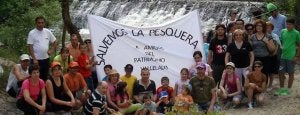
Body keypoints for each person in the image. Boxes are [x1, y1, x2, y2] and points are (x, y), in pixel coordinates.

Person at [27, 16, 58, 81]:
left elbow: (55, 41)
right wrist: (34, 59)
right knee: (35, 77)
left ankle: (44, 90)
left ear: (44, 23)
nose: (41, 24)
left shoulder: (47, 31)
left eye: (42, 23)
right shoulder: (32, 33)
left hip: (46, 59)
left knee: (45, 76)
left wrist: (51, 50)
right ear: (36, 23)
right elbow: (30, 47)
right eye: (39, 23)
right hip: (36, 60)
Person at [279, 18, 300, 88]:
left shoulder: (296, 33)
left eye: (290, 24)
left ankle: (289, 88)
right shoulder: (283, 31)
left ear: (293, 25)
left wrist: (297, 56)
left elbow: (299, 45)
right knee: (281, 72)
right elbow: (281, 42)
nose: (288, 25)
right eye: (287, 24)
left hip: (291, 56)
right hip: (283, 56)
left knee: (291, 73)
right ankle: (282, 88)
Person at [266, 21, 282, 90]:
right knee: (266, 70)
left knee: (271, 71)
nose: (267, 29)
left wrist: (275, 52)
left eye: (269, 28)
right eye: (266, 27)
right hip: (266, 55)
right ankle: (265, 84)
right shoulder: (263, 35)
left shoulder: (275, 36)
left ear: (272, 29)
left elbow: (279, 45)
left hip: (273, 55)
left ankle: (270, 85)